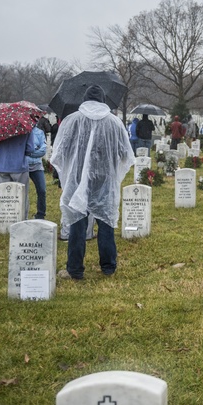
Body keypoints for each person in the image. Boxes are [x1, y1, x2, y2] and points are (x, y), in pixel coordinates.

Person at [52, 85, 134, 280]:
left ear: (84, 99)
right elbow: (126, 154)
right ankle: (108, 267)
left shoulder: (72, 120)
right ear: (104, 100)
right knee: (105, 222)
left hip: (78, 178)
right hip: (104, 179)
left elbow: (60, 151)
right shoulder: (114, 123)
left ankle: (75, 269)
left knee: (78, 224)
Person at [25, 124, 48, 220]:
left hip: (37, 165)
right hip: (23, 165)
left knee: (42, 190)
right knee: (23, 191)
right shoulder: (22, 132)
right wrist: (35, 150)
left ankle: (41, 214)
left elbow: (43, 150)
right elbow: (21, 150)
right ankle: (22, 214)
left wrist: (29, 153)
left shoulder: (39, 132)